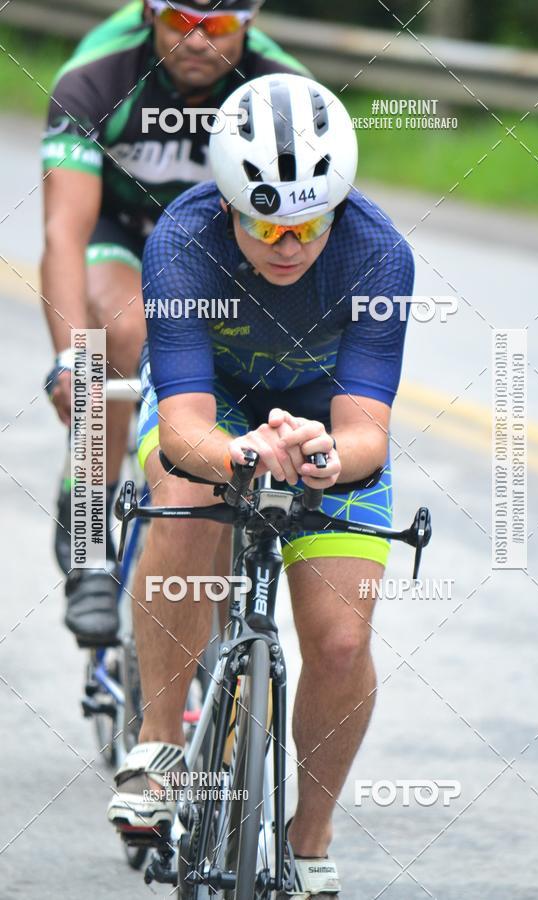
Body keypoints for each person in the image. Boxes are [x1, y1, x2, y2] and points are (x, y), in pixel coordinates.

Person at [107, 73, 414, 896]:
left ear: (337, 206)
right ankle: (160, 748)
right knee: (181, 495)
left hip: (323, 425)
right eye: (265, 222)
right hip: (217, 407)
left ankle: (309, 839)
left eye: (309, 223)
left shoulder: (378, 252)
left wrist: (320, 455)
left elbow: (366, 435)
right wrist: (242, 455)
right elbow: (182, 427)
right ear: (228, 204)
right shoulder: (182, 239)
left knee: (343, 641)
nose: (290, 244)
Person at [41, 0, 308, 646]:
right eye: (179, 21)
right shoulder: (97, 78)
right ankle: (88, 536)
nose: (195, 40)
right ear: (147, 11)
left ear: (249, 22)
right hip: (121, 232)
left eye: (216, 26)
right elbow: (63, 235)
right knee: (121, 334)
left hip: (223, 249)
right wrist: (73, 360)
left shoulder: (280, 89)